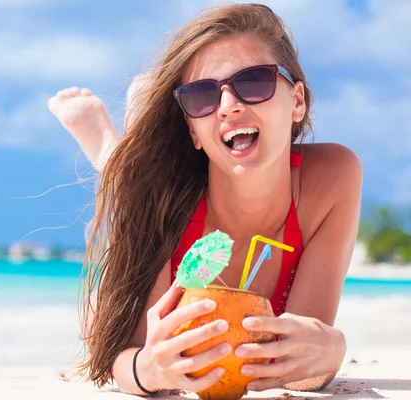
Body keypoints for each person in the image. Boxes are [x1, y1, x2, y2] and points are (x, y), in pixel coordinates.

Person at [49, 3, 362, 397]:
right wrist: (147, 369)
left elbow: (299, 359)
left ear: (297, 101)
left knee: (136, 177)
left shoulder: (333, 178)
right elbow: (121, 355)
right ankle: (111, 149)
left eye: (253, 82)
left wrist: (333, 348)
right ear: (194, 134)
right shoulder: (164, 205)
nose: (229, 105)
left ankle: (132, 136)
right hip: (162, 196)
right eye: (201, 96)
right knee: (130, 184)